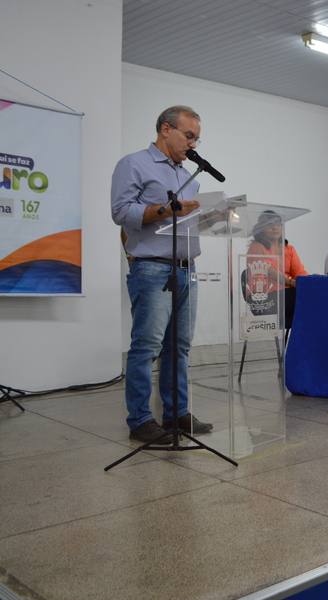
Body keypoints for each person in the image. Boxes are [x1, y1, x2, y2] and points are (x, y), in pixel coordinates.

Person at [111, 105, 213, 444]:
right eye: (189, 136)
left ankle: (176, 412)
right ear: (166, 129)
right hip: (152, 268)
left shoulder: (188, 174)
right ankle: (140, 419)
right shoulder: (133, 164)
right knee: (147, 346)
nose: (193, 144)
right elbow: (121, 212)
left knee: (179, 346)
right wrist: (167, 209)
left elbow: (186, 221)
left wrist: (215, 218)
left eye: (196, 138)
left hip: (188, 269)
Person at [246, 211, 308, 328]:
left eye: (277, 223)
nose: (275, 227)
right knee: (307, 300)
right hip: (264, 298)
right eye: (269, 225)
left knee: (315, 295)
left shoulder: (289, 249)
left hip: (286, 295)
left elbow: (299, 272)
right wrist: (292, 282)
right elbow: (268, 271)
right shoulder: (256, 247)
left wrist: (308, 284)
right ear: (261, 229)